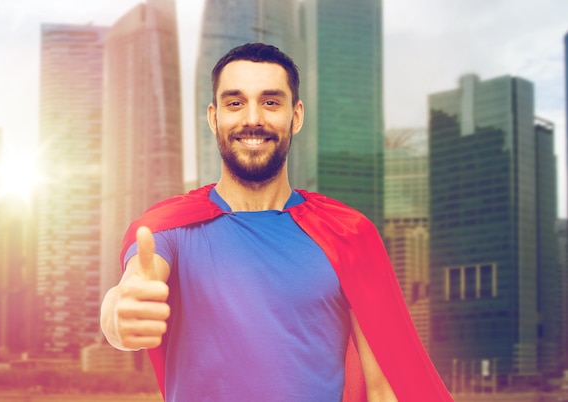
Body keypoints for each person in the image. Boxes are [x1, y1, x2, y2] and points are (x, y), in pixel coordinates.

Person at [100, 43, 453, 402]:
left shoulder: (347, 234)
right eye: (235, 103)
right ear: (213, 117)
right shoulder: (167, 230)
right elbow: (129, 291)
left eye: (270, 102)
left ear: (296, 116)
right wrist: (119, 316)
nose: (252, 118)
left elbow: (383, 390)